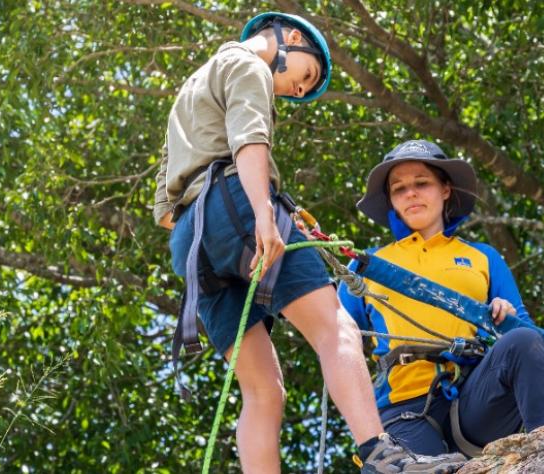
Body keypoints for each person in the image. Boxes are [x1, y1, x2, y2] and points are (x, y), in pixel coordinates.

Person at [155, 13, 466, 473]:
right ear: (291, 38)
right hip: (236, 201)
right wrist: (262, 212)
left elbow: (164, 208)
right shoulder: (247, 64)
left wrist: (230, 226)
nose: (300, 90)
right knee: (334, 327)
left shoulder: (190, 93)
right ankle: (382, 457)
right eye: (307, 76)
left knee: (263, 390)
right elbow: (249, 140)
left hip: (190, 243)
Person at [339, 139, 544, 457]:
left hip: (473, 398)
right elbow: (335, 340)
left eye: (422, 183)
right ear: (391, 201)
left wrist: (504, 321)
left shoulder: (482, 257)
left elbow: (528, 344)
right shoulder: (367, 265)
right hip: (403, 406)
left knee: (523, 341)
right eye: (399, 189)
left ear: (445, 189)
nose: (411, 194)